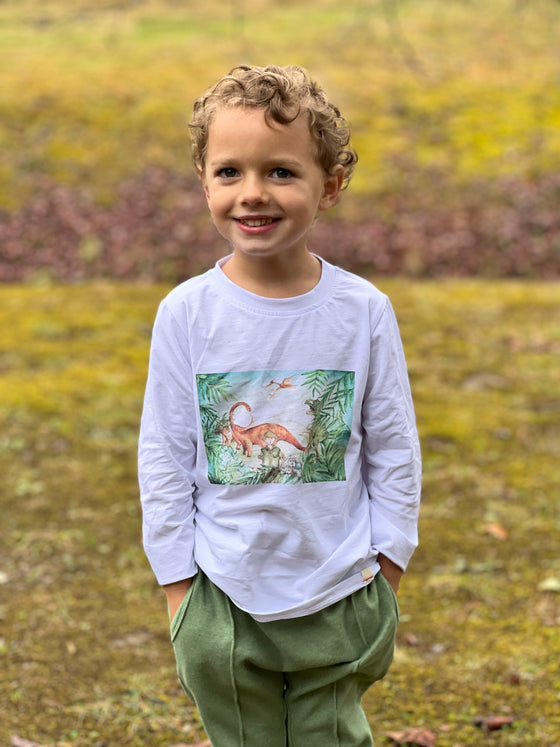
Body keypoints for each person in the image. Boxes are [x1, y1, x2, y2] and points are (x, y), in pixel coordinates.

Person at [138, 64, 421, 747]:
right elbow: (165, 456)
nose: (253, 193)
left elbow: (393, 445)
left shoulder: (361, 312)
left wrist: (388, 563)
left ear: (330, 185)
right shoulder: (186, 313)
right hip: (222, 598)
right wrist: (181, 592)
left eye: (281, 172)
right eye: (229, 171)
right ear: (204, 180)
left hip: (339, 586)